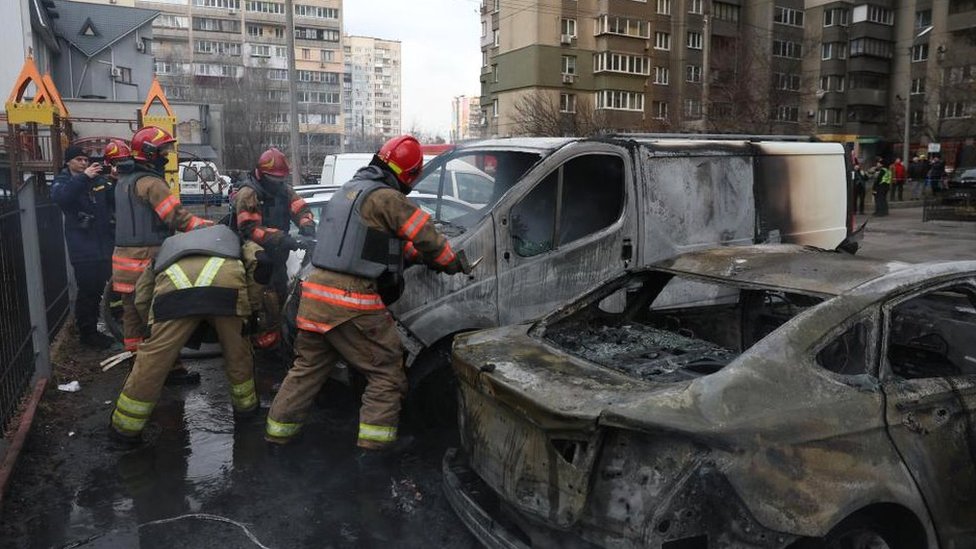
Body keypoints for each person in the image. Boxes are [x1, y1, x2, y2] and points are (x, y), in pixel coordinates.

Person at [264, 135, 472, 455]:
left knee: (306, 370)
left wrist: (413, 257)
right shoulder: (388, 198)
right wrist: (451, 262)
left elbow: (370, 246)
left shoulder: (347, 192)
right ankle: (375, 453)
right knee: (386, 372)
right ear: (409, 174)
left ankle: (277, 439)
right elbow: (428, 237)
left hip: (314, 295)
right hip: (350, 299)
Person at [109, 225, 268, 443]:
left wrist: (153, 327)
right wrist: (250, 310)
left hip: (172, 295)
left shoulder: (168, 248)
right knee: (237, 354)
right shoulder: (236, 240)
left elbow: (142, 294)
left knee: (152, 363)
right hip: (226, 290)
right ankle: (246, 412)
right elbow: (261, 261)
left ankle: (123, 430)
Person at [111, 126, 212, 384]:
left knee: (132, 319)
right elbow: (176, 217)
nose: (166, 155)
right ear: (149, 152)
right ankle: (171, 370)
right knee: (162, 319)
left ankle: (137, 368)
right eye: (163, 150)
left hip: (123, 264)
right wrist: (207, 228)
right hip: (146, 263)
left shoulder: (124, 181)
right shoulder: (152, 183)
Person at [232, 147, 316, 350]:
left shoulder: (284, 190)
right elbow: (249, 228)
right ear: (262, 174)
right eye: (274, 179)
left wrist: (306, 223)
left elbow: (301, 208)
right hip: (256, 252)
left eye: (281, 179)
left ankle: (277, 339)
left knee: (280, 293)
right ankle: (258, 338)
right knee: (263, 296)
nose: (278, 183)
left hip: (278, 252)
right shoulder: (248, 193)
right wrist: (281, 238)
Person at [52, 144, 118, 349]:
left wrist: (114, 181)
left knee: (101, 289)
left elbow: (113, 200)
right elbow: (61, 198)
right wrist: (83, 177)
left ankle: (103, 328)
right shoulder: (63, 181)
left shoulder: (98, 181)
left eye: (86, 160)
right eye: (79, 160)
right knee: (88, 291)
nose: (83, 163)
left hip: (103, 245)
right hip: (83, 249)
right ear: (68, 162)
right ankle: (87, 334)